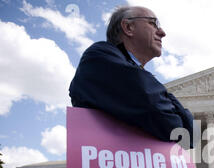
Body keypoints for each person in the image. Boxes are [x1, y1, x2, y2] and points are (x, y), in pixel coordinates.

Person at [69, 5, 193, 148]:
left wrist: (162, 95)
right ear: (128, 27)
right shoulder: (98, 57)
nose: (162, 32)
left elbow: (189, 137)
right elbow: (173, 125)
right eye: (153, 23)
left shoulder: (136, 74)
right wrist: (171, 103)